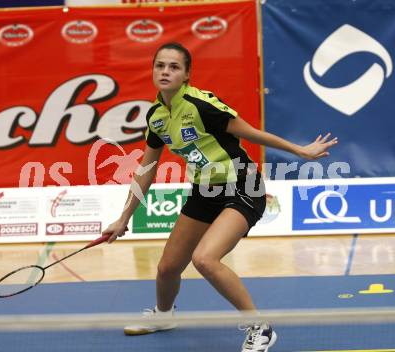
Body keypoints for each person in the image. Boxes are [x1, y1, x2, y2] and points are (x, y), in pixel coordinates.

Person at [102, 42, 338, 352]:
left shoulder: (201, 105)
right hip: (205, 191)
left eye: (174, 67)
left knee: (205, 259)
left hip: (242, 185)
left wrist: (299, 150)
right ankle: (164, 315)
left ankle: (260, 327)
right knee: (167, 268)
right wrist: (123, 218)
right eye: (160, 65)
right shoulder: (157, 116)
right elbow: (146, 169)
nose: (165, 71)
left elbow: (250, 132)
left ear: (186, 74)